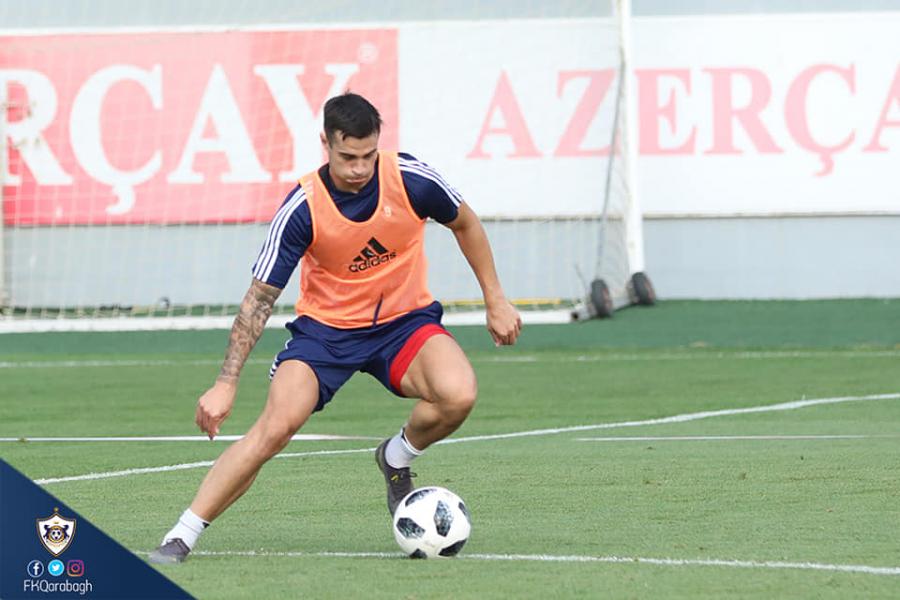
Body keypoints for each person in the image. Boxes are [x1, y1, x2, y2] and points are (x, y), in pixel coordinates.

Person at [148, 92, 521, 564]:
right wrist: (226, 382)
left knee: (458, 394)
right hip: (325, 336)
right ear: (325, 143)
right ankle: (182, 534)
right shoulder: (303, 208)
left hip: (404, 325)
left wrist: (496, 299)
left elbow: (465, 224)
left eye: (368, 155)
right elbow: (259, 300)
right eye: (348, 157)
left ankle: (397, 457)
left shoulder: (411, 179)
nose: (360, 168)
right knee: (275, 428)